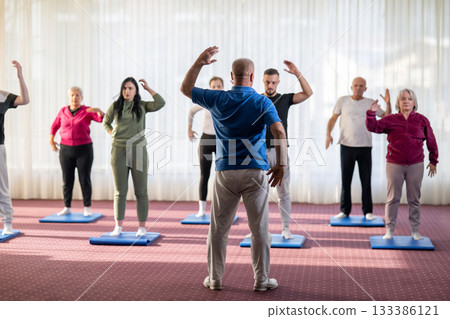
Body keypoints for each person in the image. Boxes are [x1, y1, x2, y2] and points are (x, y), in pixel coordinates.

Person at [180, 46, 287, 292]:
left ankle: (215, 279)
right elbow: (279, 131)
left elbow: (185, 89)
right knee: (259, 229)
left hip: (225, 171)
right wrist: (280, 164)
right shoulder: (262, 101)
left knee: (218, 229)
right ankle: (261, 280)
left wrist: (199, 62)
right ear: (253, 76)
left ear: (231, 76)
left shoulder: (218, 98)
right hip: (255, 172)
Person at [366, 89, 438, 240]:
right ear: (398, 102)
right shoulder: (391, 119)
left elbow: (431, 141)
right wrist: (371, 114)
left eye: (409, 99)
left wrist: (433, 161)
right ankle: (389, 230)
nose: (406, 101)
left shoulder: (422, 120)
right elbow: (373, 127)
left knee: (414, 199)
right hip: (394, 164)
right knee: (393, 198)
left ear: (414, 102)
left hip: (415, 164)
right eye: (403, 99)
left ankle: (415, 231)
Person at [103, 77, 165, 237]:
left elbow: (160, 103)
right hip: (118, 151)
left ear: (136, 90)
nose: (127, 91)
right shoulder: (116, 106)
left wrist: (149, 89)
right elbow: (106, 122)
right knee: (120, 191)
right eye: (124, 88)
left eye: (130, 88)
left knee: (141, 191)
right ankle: (118, 226)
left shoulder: (142, 106)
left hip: (138, 151)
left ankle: (142, 227)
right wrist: (112, 133)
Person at [326, 77, 391, 220]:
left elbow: (386, 117)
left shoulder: (370, 103)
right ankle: (344, 210)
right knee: (346, 180)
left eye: (361, 86)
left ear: (365, 88)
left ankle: (368, 211)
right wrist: (328, 134)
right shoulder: (342, 100)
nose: (358, 88)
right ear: (351, 87)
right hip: (346, 146)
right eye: (356, 85)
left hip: (365, 147)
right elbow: (333, 118)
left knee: (366, 181)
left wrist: (388, 103)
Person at [261, 63, 313, 239]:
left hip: (280, 151)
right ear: (263, 81)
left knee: (284, 192)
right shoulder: (257, 99)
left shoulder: (285, 99)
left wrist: (297, 73)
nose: (270, 86)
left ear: (278, 82)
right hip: (259, 151)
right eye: (267, 82)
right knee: (259, 193)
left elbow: (308, 93)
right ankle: (261, 229)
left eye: (273, 82)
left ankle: (286, 228)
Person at [50, 87, 104, 217]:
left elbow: (102, 119)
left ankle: (87, 207)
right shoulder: (63, 111)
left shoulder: (87, 110)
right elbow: (54, 126)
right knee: (67, 179)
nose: (75, 98)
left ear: (82, 97)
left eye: (77, 95)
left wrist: (99, 111)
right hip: (66, 150)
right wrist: (52, 141)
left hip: (84, 150)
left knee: (84, 179)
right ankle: (67, 206)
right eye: (72, 95)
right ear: (69, 97)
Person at [0, 61, 30, 235]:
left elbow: (25, 100)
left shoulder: (2, 96)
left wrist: (20, 76)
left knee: (1, 186)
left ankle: (8, 224)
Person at [187, 76, 223, 217]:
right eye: (213, 86)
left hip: (221, 141)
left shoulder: (225, 102)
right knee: (204, 174)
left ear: (222, 87)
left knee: (221, 176)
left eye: (219, 86)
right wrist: (189, 129)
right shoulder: (205, 101)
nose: (216, 88)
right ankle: (201, 208)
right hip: (206, 140)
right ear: (209, 88)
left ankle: (220, 207)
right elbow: (191, 112)